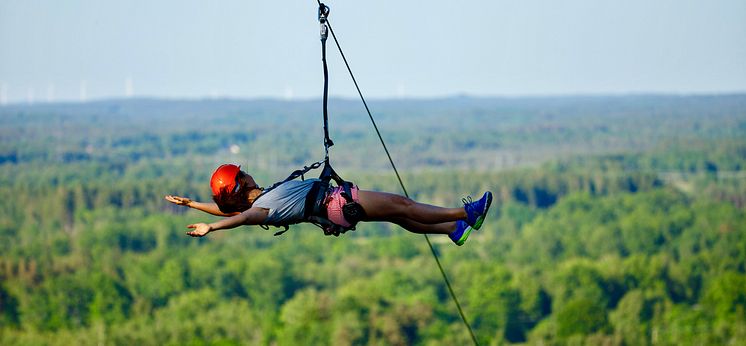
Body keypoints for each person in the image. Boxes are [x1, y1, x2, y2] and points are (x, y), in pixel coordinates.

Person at [165, 164, 492, 246]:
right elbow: (239, 218)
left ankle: (453, 229)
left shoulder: (259, 200)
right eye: (242, 173)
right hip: (338, 203)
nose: (247, 172)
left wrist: (193, 204)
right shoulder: (260, 209)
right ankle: (467, 213)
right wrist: (213, 227)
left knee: (398, 217)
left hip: (336, 209)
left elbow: (230, 211)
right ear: (241, 183)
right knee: (402, 205)